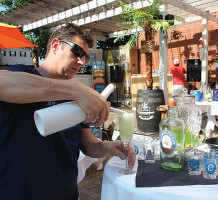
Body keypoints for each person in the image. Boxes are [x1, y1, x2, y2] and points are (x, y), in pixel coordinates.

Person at [0, 23, 136, 199]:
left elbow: (86, 142)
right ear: (56, 45)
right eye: (77, 52)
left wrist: (108, 147)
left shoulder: (77, 97)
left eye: (85, 57)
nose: (82, 61)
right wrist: (75, 89)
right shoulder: (23, 75)